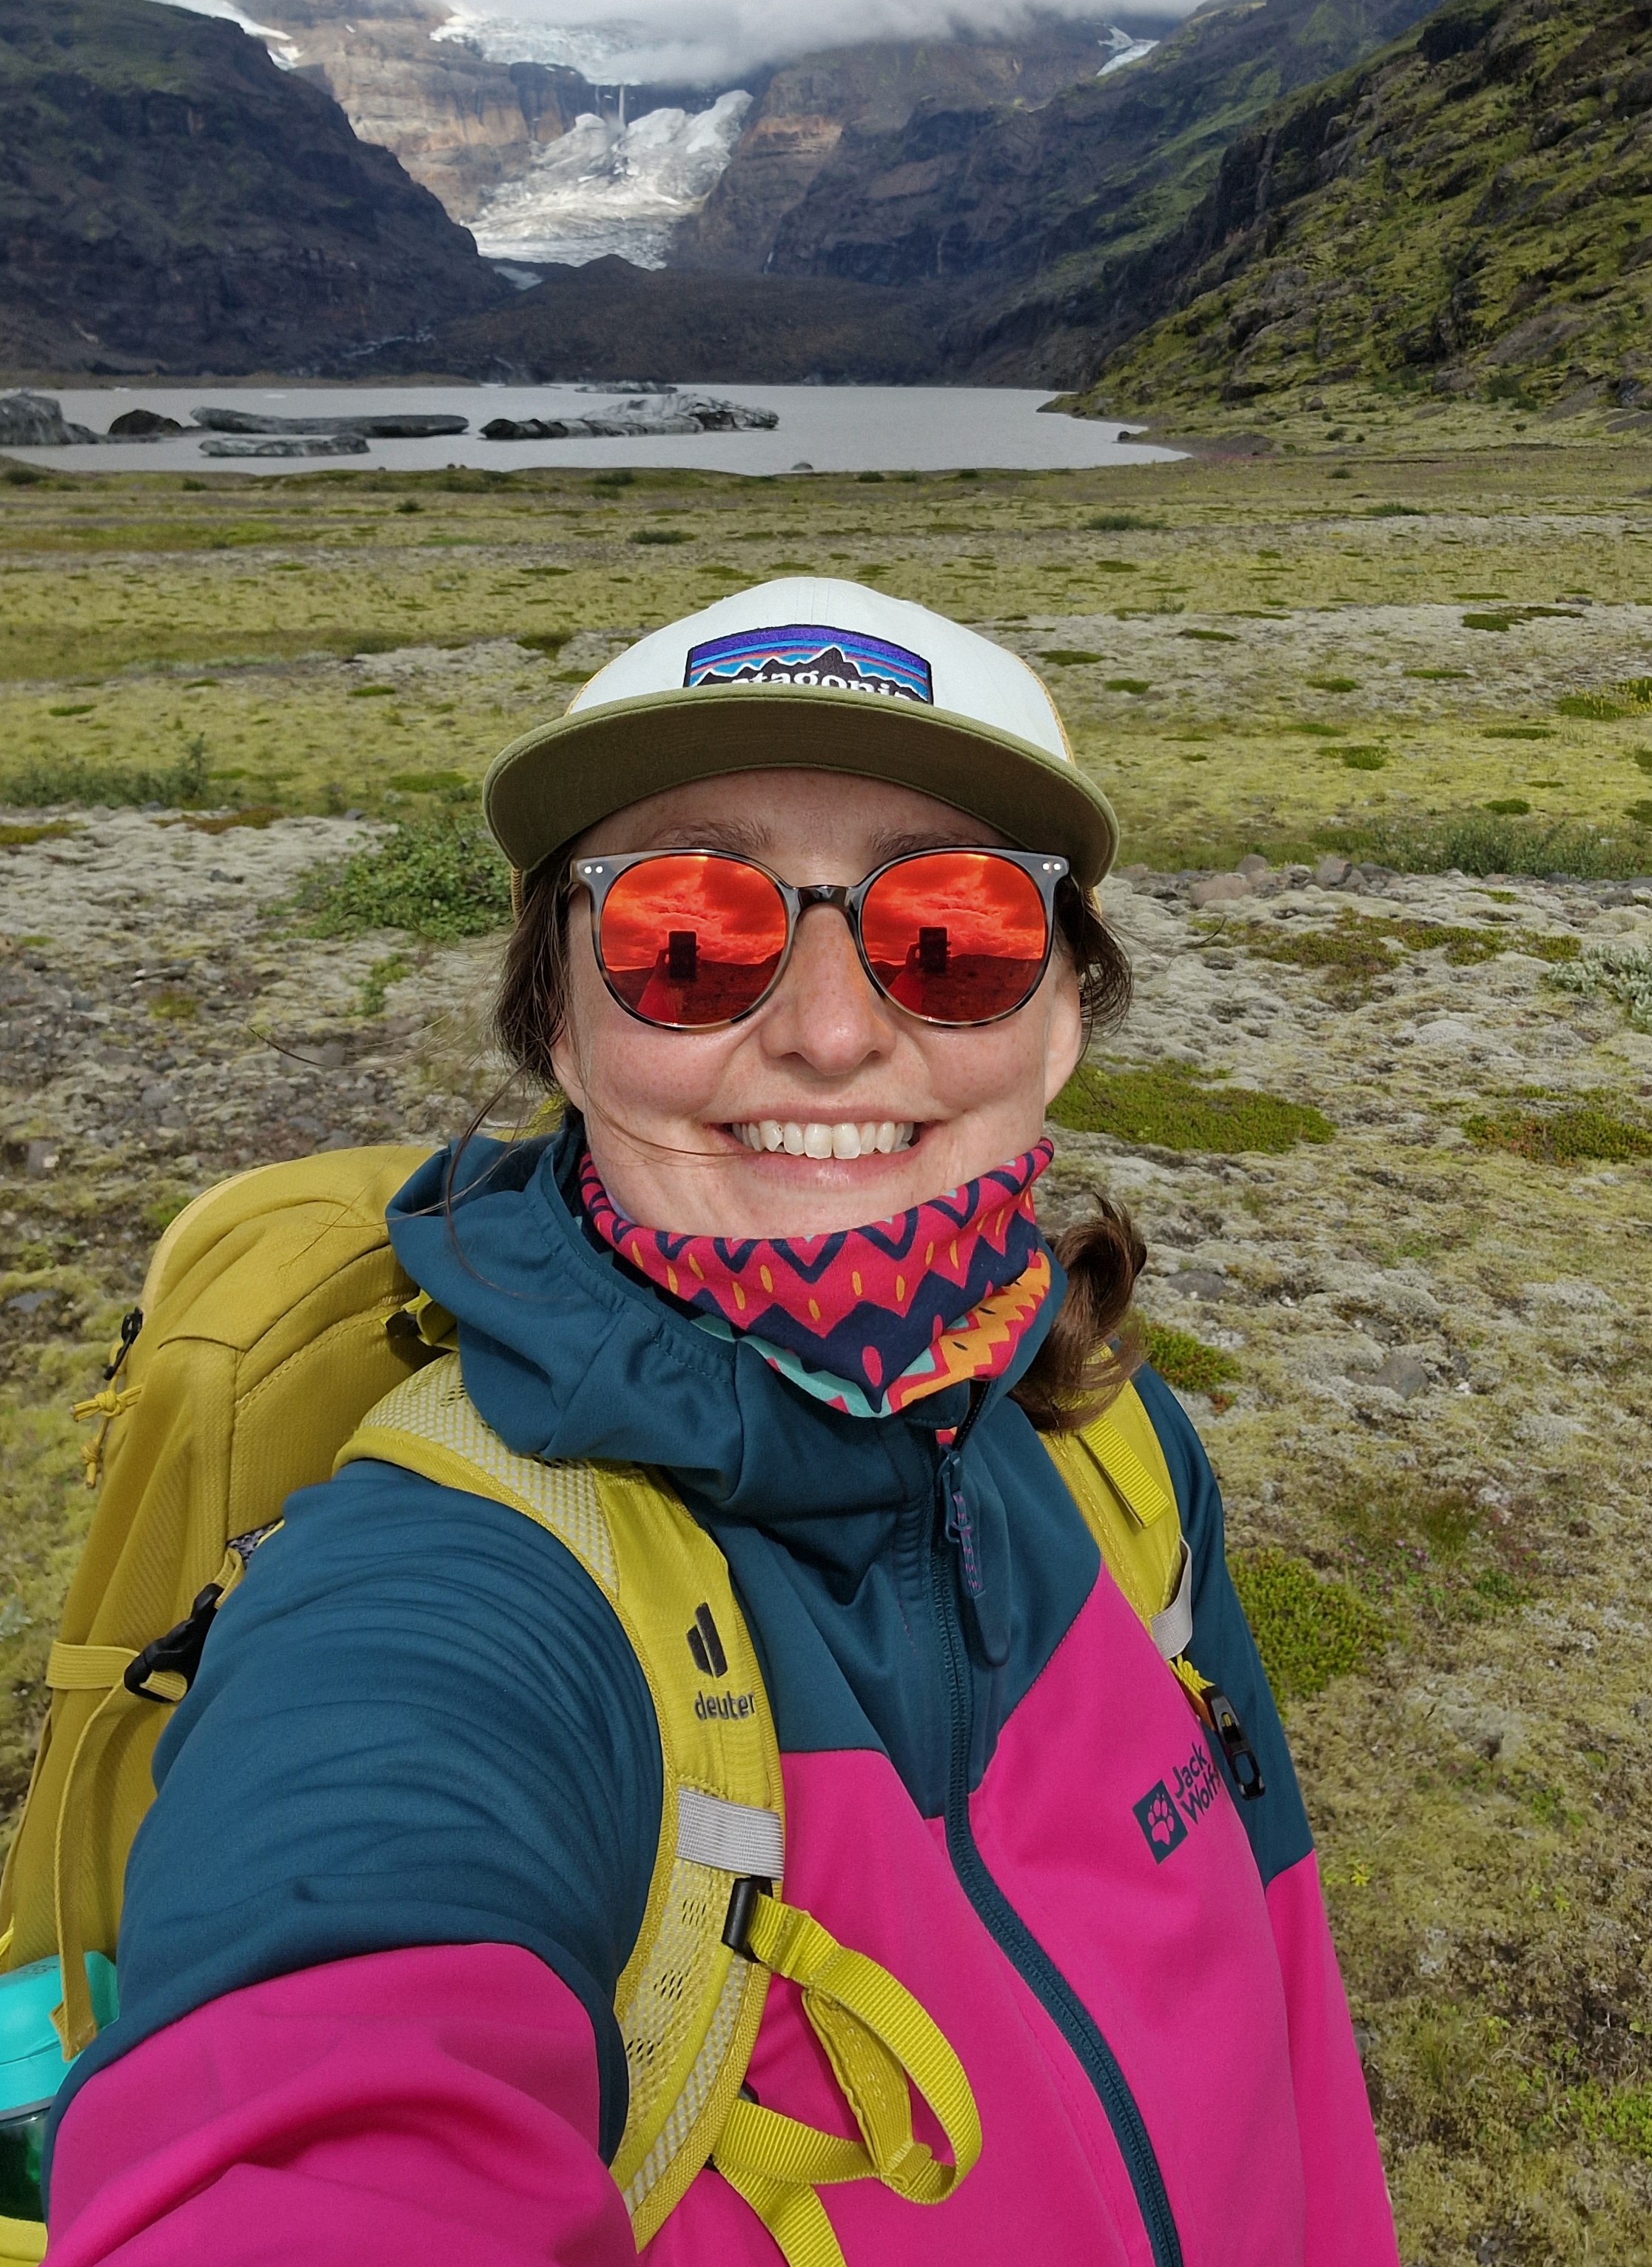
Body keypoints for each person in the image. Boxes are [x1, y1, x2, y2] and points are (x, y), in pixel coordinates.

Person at [38, 579, 1398, 2266]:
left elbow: (1290, 2022)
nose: (830, 1034)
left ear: (1060, 1020)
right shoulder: (446, 1602)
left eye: (954, 934)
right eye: (688, 937)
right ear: (560, 1021)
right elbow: (319, 2096)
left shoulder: (1122, 1455)